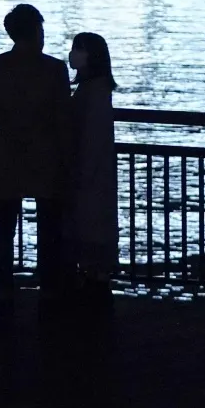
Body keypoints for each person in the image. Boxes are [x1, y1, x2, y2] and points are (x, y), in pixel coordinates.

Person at [0, 3, 71, 294]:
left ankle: (5, 290)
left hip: (5, 156)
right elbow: (63, 121)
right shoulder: (54, 70)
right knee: (49, 230)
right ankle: (49, 288)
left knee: (3, 229)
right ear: (36, 30)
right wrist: (68, 161)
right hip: (45, 157)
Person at [67, 32, 118, 298]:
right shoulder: (95, 89)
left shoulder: (93, 90)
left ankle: (94, 278)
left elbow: (92, 135)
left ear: (91, 56)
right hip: (93, 172)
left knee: (90, 224)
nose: (72, 54)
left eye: (78, 49)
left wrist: (83, 173)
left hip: (88, 173)